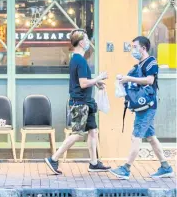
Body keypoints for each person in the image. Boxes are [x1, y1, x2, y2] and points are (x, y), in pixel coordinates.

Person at [45, 29, 111, 174]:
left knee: (93, 131)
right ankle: (54, 158)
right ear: (81, 42)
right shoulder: (79, 60)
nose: (88, 42)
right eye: (87, 39)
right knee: (78, 133)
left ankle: (94, 163)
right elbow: (82, 83)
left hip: (86, 101)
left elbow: (84, 82)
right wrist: (98, 78)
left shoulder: (77, 59)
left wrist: (95, 83)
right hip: (80, 103)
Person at [109, 36, 173, 179]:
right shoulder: (138, 65)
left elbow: (149, 80)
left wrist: (129, 79)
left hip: (148, 107)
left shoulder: (151, 62)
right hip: (143, 106)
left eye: (135, 46)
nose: (133, 50)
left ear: (143, 48)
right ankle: (166, 167)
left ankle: (126, 168)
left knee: (136, 136)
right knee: (150, 137)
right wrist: (123, 78)